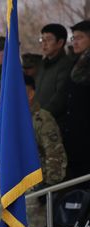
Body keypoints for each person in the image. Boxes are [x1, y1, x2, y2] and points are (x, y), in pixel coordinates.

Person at [23, 74, 67, 227]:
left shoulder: (42, 119)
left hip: (35, 188)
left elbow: (54, 153)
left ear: (30, 93)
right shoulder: (9, 118)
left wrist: (48, 185)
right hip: (13, 186)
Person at [63, 20, 90, 180]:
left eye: (79, 37)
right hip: (77, 133)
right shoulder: (76, 62)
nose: (75, 42)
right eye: (73, 38)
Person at [34, 23, 73, 127]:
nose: (44, 44)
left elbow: (60, 98)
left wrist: (40, 117)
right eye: (42, 40)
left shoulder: (65, 65)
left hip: (54, 124)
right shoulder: (42, 64)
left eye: (48, 40)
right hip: (39, 121)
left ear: (60, 43)